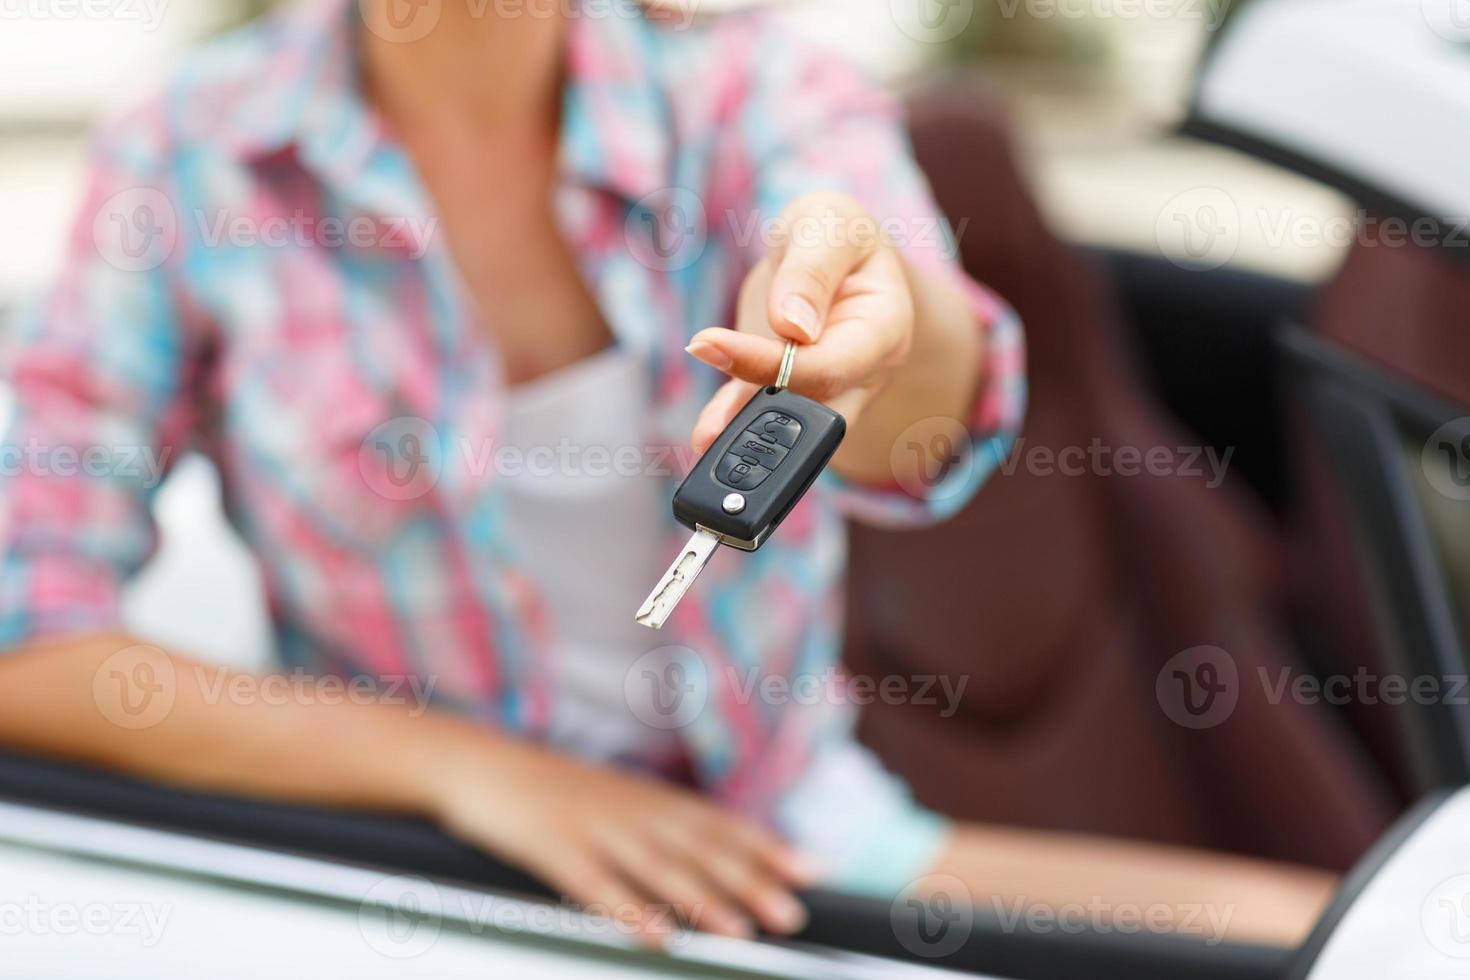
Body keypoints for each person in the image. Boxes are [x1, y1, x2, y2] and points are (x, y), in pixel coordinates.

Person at [0, 0, 1333, 947]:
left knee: (1327, 942)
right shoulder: (183, 158)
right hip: (413, 878)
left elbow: (929, 425)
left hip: (783, 851)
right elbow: (26, 638)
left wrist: (883, 325)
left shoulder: (762, 99)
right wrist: (476, 773)